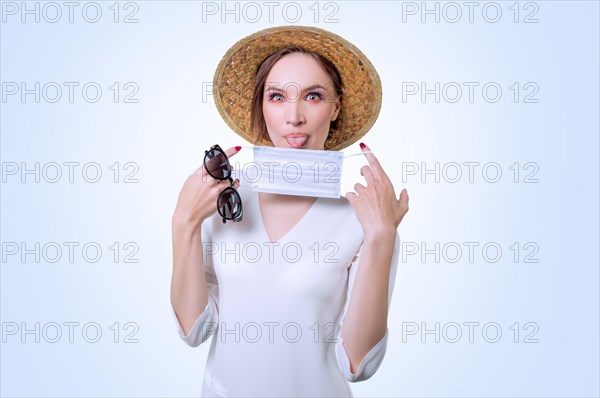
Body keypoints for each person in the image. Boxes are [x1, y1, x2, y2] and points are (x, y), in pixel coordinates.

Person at [170, 26, 409, 397]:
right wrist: (183, 222)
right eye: (277, 96)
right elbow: (193, 330)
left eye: (313, 96)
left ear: (336, 107)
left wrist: (382, 237)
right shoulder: (223, 201)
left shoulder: (362, 222)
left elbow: (357, 365)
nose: (294, 116)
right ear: (262, 105)